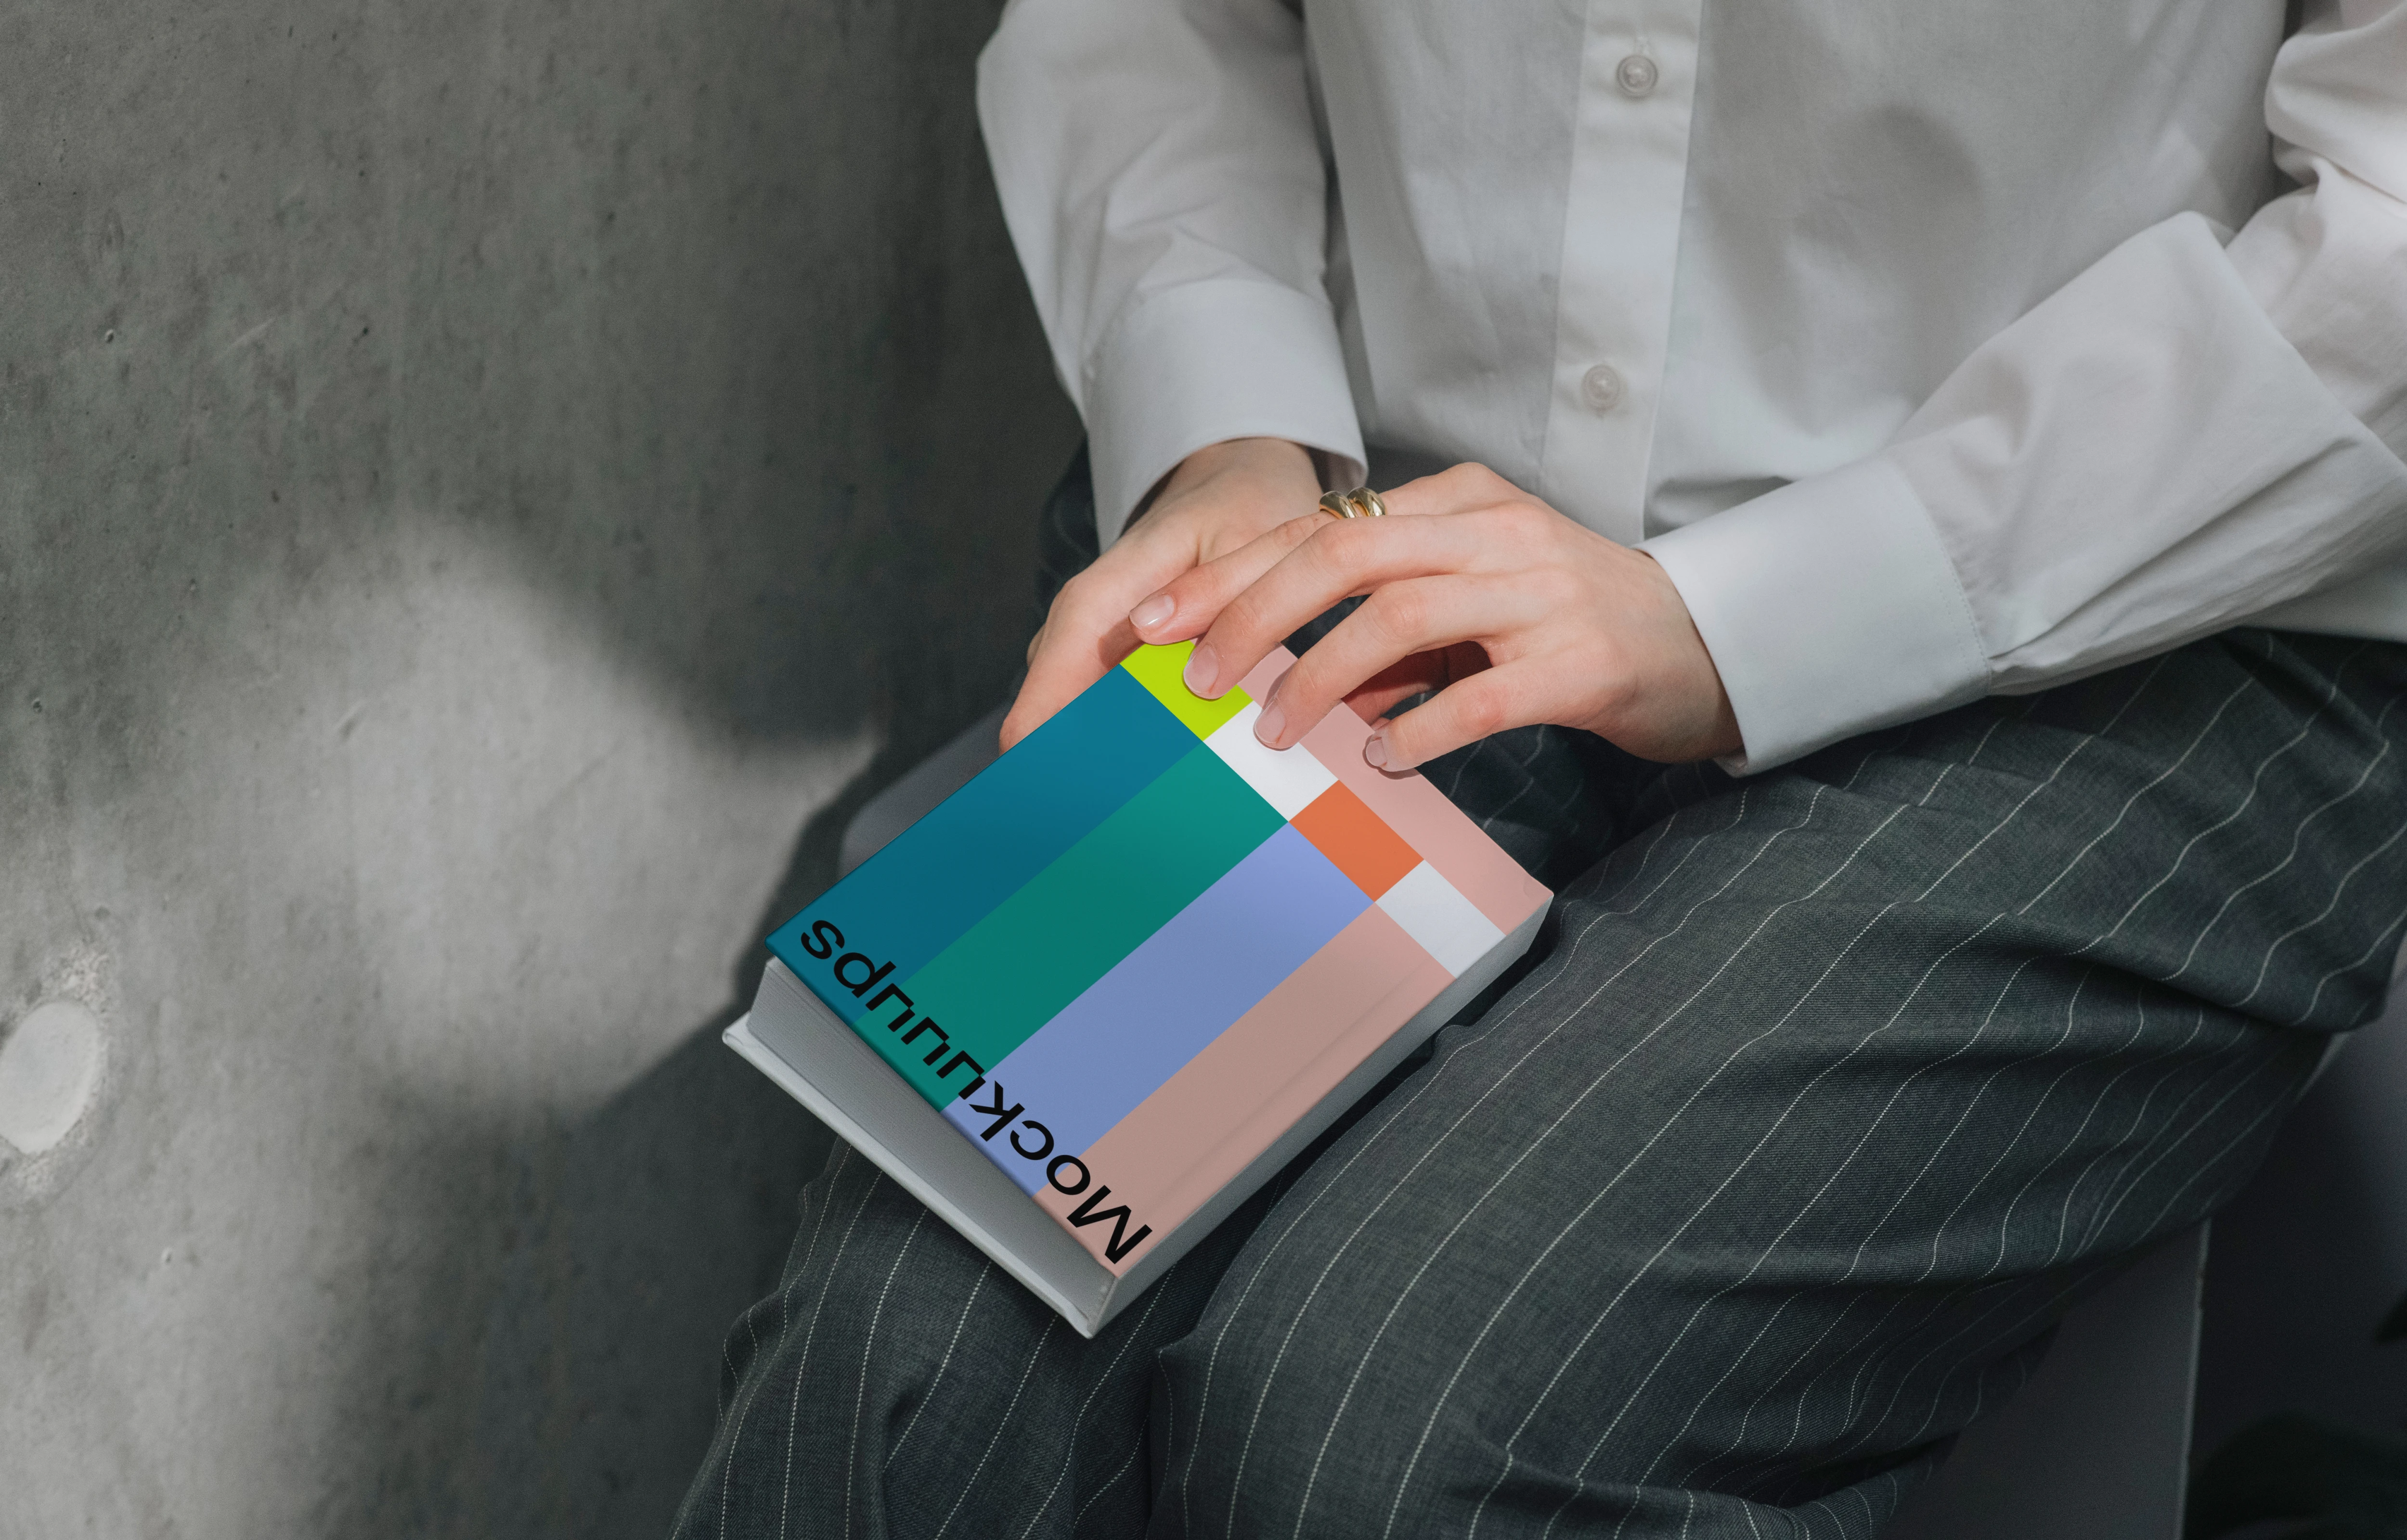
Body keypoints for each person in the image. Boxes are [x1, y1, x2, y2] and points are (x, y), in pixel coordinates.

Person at [676, 2, 2407, 1535]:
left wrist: (1739, 617)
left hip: (2149, 605)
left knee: (1405, 1437)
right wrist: (1224, 429)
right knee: (893, 1387)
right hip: (1382, 550)